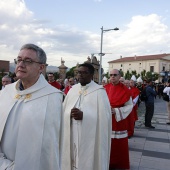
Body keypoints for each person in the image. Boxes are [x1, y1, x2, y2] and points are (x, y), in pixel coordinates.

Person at [0, 44, 63, 170]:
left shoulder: (52, 97)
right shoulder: (6, 92)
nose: (21, 64)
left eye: (28, 61)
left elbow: (49, 147)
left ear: (41, 67)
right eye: (19, 60)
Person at [61, 63, 112, 170]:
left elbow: (105, 118)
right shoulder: (73, 90)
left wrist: (84, 116)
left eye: (85, 73)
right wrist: (69, 113)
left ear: (92, 74)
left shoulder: (99, 92)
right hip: (72, 131)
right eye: (79, 72)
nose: (81, 75)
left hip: (90, 135)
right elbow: (63, 110)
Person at [104, 69, 133, 170]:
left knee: (118, 146)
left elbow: (129, 106)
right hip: (106, 121)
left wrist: (116, 111)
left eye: (115, 75)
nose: (112, 77)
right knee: (106, 144)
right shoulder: (104, 88)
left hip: (118, 121)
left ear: (119, 76)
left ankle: (120, 165)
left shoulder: (125, 90)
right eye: (111, 75)